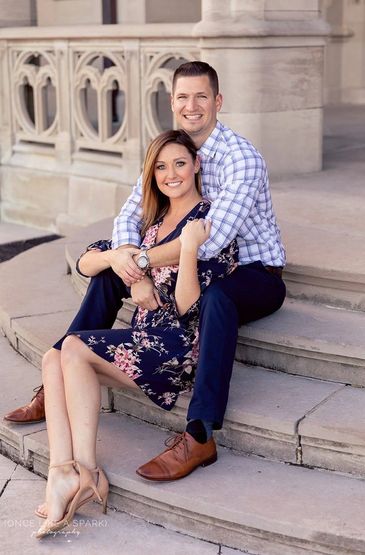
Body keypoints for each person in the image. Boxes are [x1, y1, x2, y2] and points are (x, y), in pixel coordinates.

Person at [5, 61, 286, 481]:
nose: (192, 106)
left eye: (201, 97)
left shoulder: (240, 158)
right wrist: (125, 259)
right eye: (183, 97)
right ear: (172, 103)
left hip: (251, 270)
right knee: (107, 273)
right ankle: (59, 375)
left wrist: (138, 265)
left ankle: (199, 433)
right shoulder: (171, 151)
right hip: (192, 260)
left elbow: (209, 240)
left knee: (217, 299)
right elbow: (130, 214)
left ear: (218, 102)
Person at [34, 129, 238, 539]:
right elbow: (88, 263)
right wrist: (127, 269)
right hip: (141, 343)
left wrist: (187, 250)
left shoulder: (208, 223)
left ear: (196, 165)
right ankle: (62, 472)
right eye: (161, 167)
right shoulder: (150, 223)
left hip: (174, 349)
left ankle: (87, 471)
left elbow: (185, 307)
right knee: (52, 357)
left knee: (72, 347)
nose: (171, 174)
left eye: (180, 163)